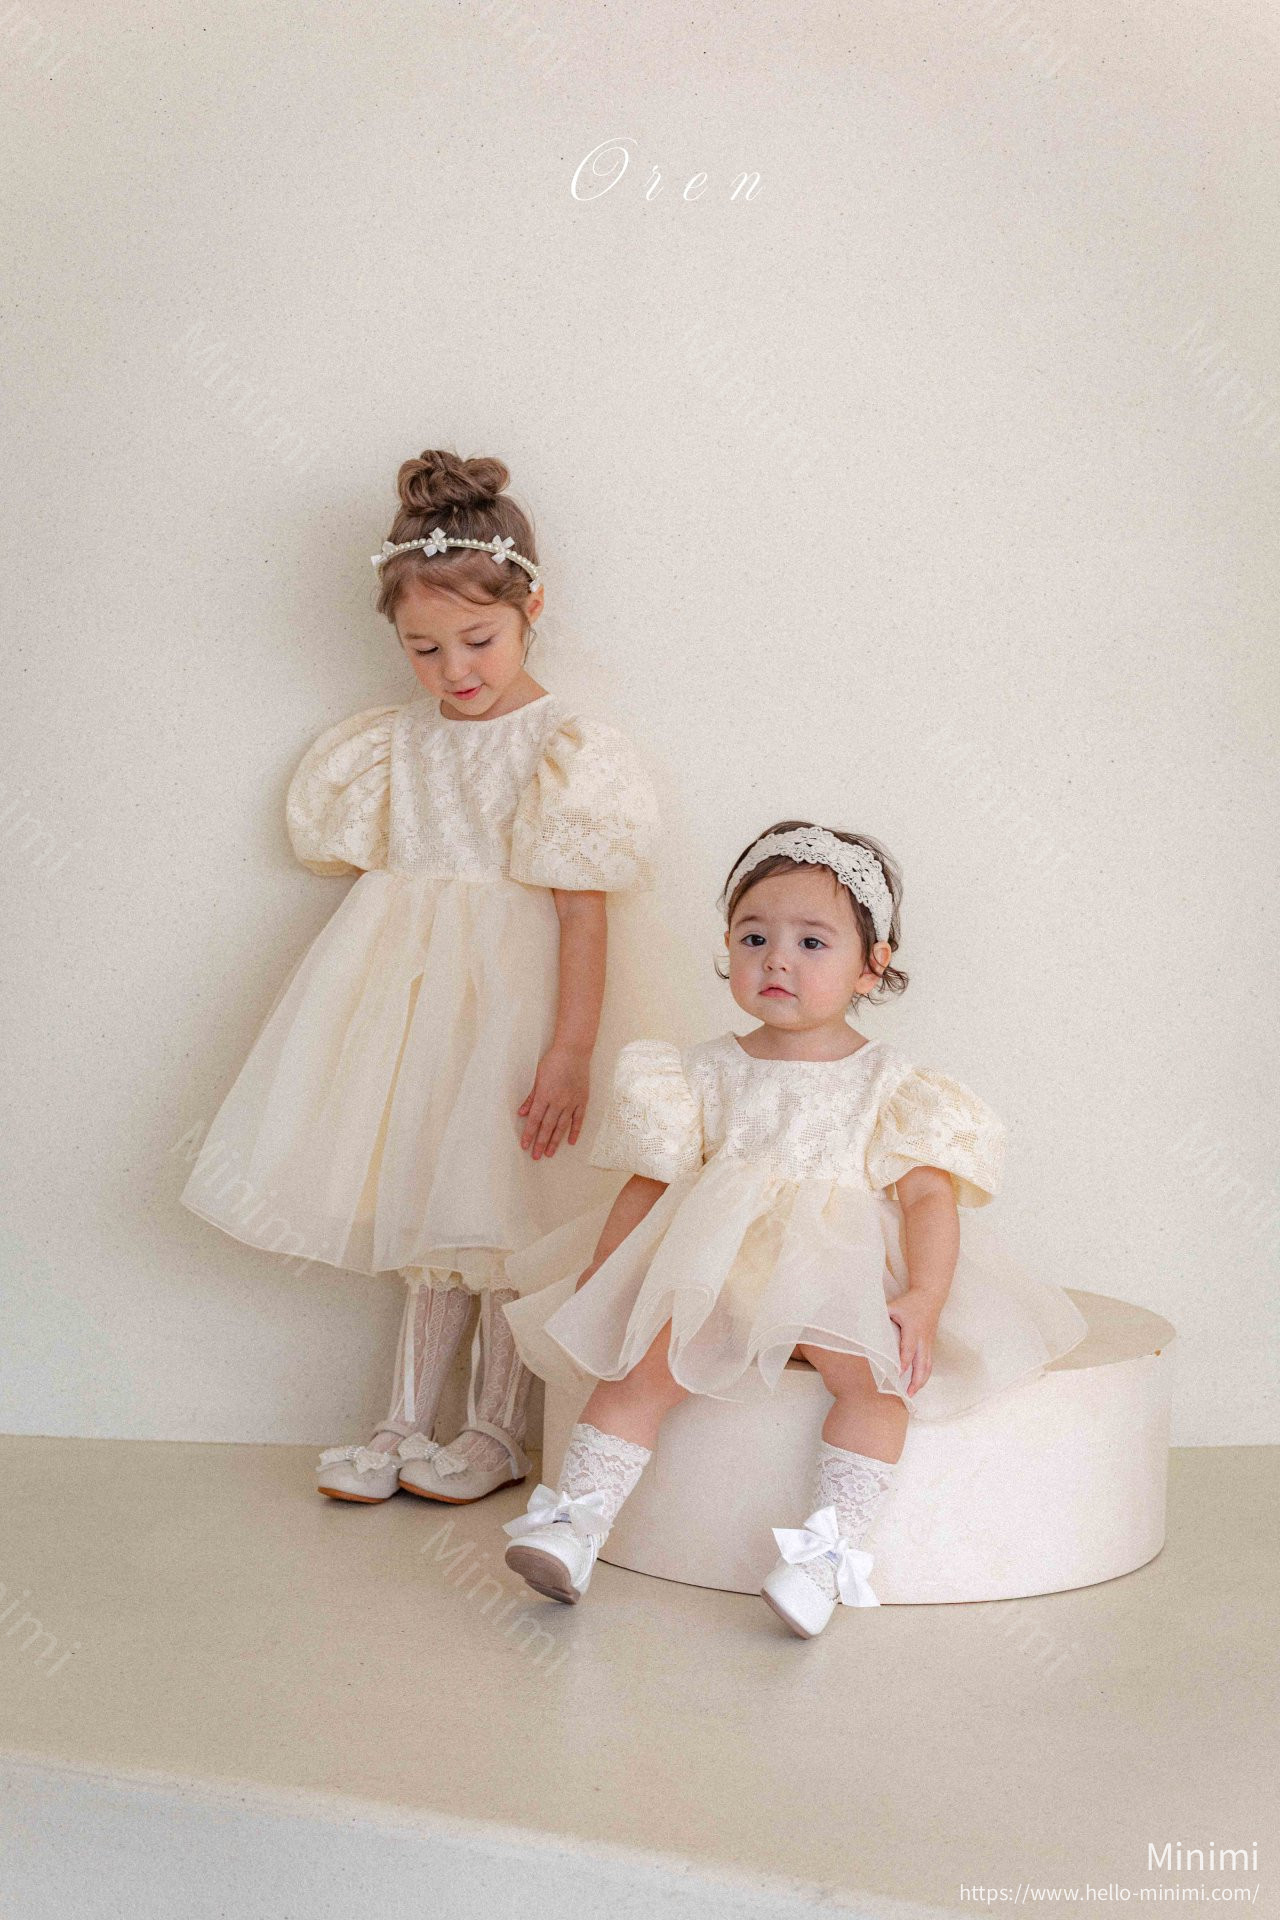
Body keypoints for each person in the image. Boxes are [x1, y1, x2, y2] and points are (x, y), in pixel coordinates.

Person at [180, 449, 662, 1505]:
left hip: (520, 1005)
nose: (454, 670)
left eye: (478, 640)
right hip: (405, 1004)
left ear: (532, 608)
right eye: (424, 648)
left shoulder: (564, 746)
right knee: (423, 1208)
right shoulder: (394, 742)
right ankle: (400, 1422)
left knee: (501, 1211)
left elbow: (582, 913)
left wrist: (570, 1049)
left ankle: (494, 1429)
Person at [499, 820, 1089, 1635]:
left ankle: (824, 1555)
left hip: (834, 1276)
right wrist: (608, 1271)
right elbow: (650, 1182)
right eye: (754, 938)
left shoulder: (889, 1082)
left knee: (873, 1384)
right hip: (717, 1270)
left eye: (812, 942)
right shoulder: (704, 1069)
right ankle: (575, 1523)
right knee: (641, 1369)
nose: (777, 960)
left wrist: (924, 1295)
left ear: (871, 966)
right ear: (729, 948)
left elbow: (928, 1199)